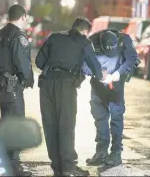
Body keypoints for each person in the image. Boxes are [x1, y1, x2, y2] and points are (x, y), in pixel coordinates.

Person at [35, 17, 103, 176]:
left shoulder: (54, 37)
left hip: (46, 83)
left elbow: (39, 61)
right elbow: (96, 69)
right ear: (86, 31)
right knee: (66, 125)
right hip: (66, 85)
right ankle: (69, 166)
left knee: (50, 126)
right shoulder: (85, 43)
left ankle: (57, 167)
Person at [83, 29, 137, 167]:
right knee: (99, 117)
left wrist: (118, 74)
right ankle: (101, 152)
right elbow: (82, 63)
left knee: (117, 117)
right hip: (98, 84)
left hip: (116, 84)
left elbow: (131, 59)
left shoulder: (124, 40)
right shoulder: (90, 42)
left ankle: (116, 152)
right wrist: (96, 74)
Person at [0, 4, 34, 176]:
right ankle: (14, 167)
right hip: (12, 86)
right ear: (23, 17)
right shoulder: (18, 36)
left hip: (1, 85)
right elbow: (22, 61)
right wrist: (29, 79)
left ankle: (7, 162)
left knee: (7, 123)